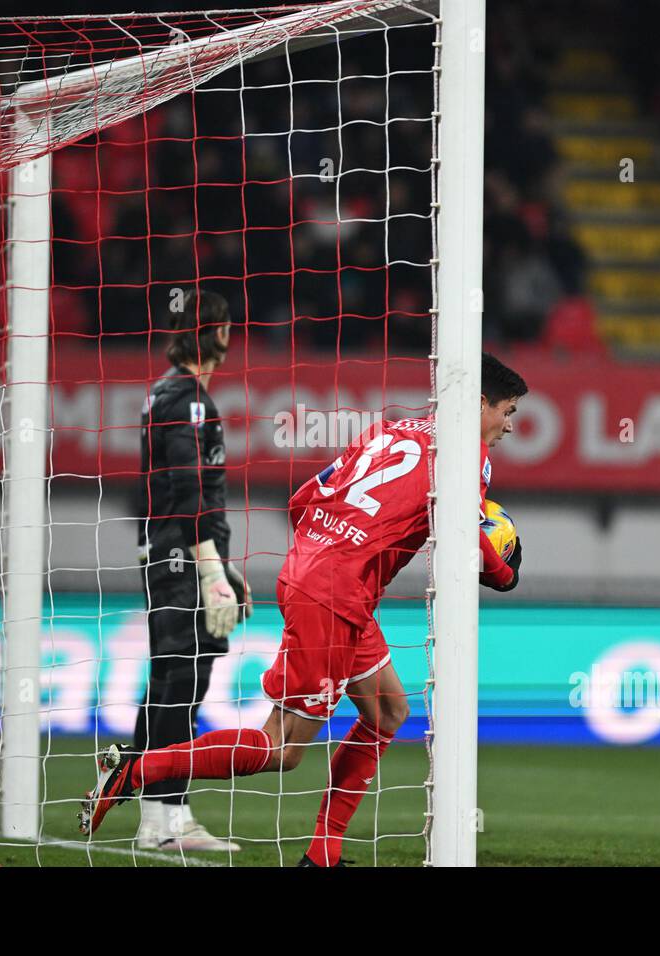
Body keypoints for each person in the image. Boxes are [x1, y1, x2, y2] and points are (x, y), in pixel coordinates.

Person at [81, 352, 527, 866]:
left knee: (387, 712)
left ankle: (323, 853)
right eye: (508, 411)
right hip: (334, 595)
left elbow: (301, 499)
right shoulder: (467, 455)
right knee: (283, 749)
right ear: (477, 404)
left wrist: (339, 544)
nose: (509, 426)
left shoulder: (390, 429)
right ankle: (136, 772)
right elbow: (481, 555)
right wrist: (508, 570)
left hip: (321, 572)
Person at [131, 288, 251, 852]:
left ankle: (143, 801)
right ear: (212, 331)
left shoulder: (170, 393)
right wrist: (210, 570)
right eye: (226, 325)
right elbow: (188, 488)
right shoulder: (188, 399)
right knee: (180, 678)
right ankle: (166, 819)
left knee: (174, 678)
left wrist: (222, 566)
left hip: (181, 554)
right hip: (180, 557)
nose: (231, 335)